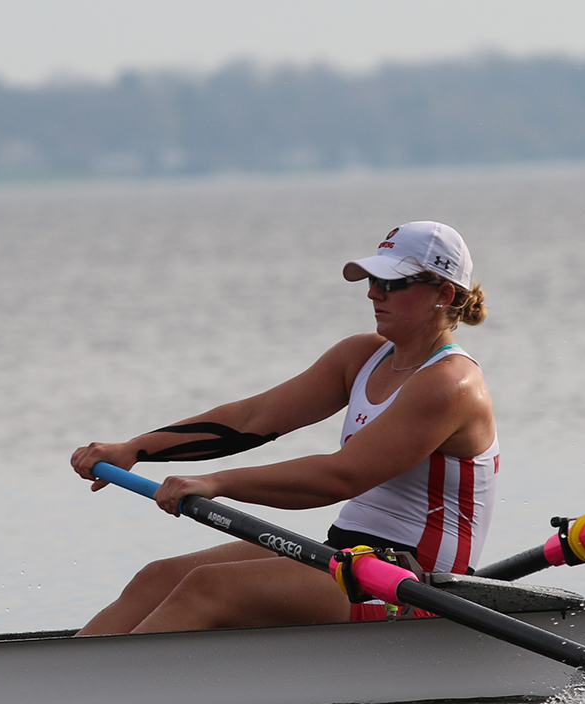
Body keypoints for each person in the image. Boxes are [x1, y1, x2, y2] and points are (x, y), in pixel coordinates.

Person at [70, 221, 499, 633]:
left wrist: (215, 482)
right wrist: (136, 448)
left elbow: (340, 477)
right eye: (372, 281)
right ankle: (68, 682)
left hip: (418, 583)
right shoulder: (361, 356)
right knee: (157, 577)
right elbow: (250, 421)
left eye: (391, 283)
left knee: (208, 588)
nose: (372, 293)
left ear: (443, 293)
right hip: (351, 555)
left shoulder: (451, 383)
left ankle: (91, 699)